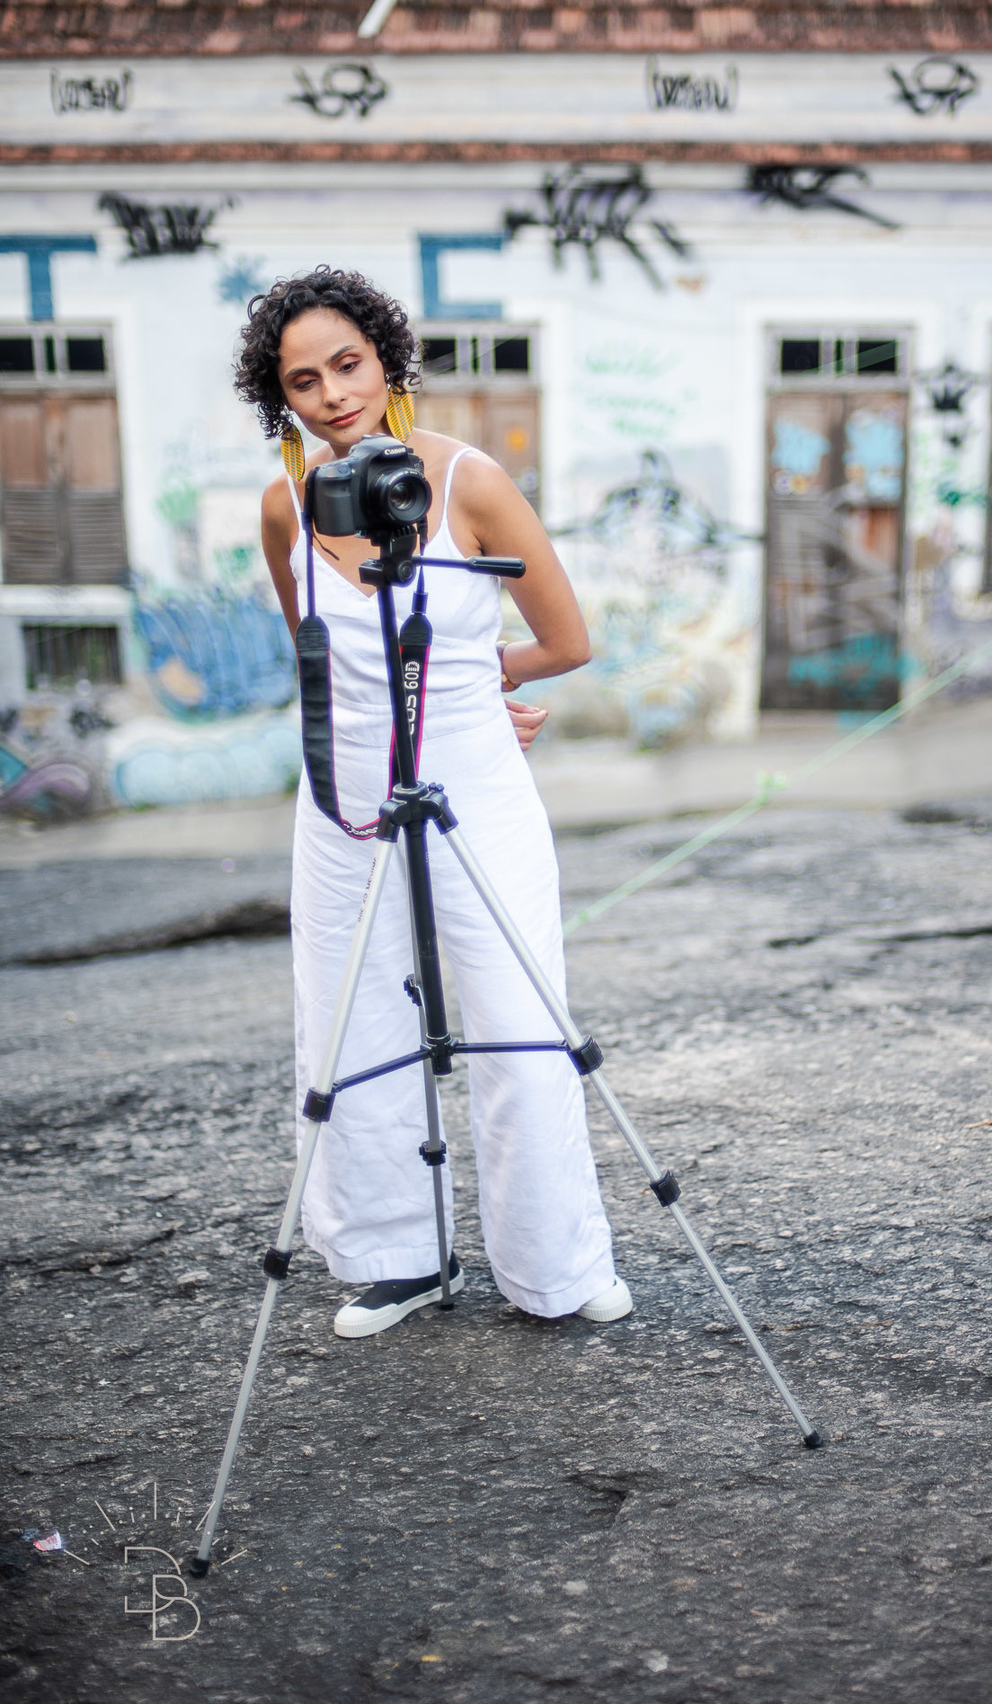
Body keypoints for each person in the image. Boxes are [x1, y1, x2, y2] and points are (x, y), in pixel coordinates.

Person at [235, 267, 631, 1337]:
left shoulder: (468, 483)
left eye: (347, 364)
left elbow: (568, 641)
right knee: (348, 1017)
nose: (330, 394)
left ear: (388, 360)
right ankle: (394, 1259)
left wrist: (475, 690)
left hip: (474, 782)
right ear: (283, 399)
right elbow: (316, 654)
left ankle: (555, 1266)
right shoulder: (283, 508)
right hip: (342, 793)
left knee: (515, 1010)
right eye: (302, 379)